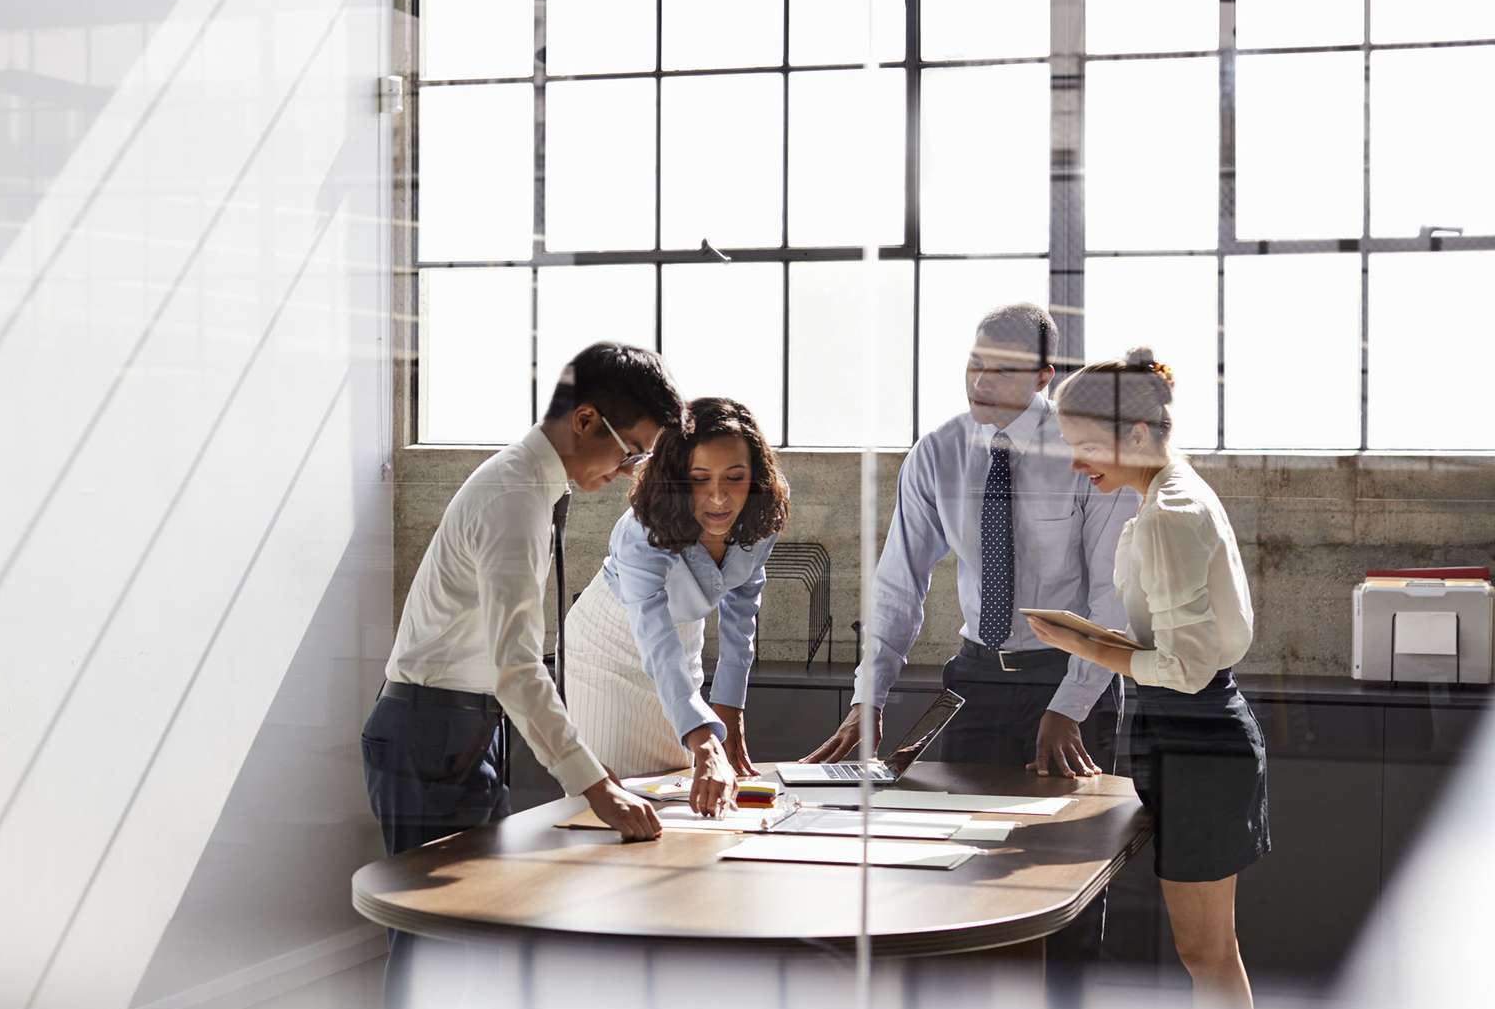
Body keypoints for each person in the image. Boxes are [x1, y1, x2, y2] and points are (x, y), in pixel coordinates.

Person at [362, 341, 685, 855]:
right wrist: (596, 788)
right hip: (432, 729)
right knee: (436, 925)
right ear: (583, 419)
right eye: (631, 451)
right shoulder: (514, 499)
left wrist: (588, 771)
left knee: (476, 919)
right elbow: (516, 665)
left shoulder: (530, 488)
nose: (630, 472)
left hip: (460, 724)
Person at [1027, 349, 1269, 1009]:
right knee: (1211, 951)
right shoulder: (1167, 494)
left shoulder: (1169, 511)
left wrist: (1085, 644)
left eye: (1084, 446)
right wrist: (1095, 638)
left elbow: (1186, 667)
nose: (1077, 464)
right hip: (1187, 734)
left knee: (1207, 951)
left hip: (1199, 735)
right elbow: (1178, 644)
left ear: (1135, 433)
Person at [806, 303, 1137, 777]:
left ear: (1044, 376)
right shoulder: (937, 453)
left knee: (1063, 841)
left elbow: (1113, 595)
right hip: (976, 679)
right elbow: (899, 584)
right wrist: (869, 698)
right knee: (961, 828)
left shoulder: (1086, 453)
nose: (981, 382)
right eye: (975, 364)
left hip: (1069, 673)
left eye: (1002, 370)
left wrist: (1071, 705)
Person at [563, 397, 790, 814]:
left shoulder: (762, 512)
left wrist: (728, 709)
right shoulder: (641, 530)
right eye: (700, 479)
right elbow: (653, 636)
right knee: (617, 805)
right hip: (609, 648)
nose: (719, 498)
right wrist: (703, 737)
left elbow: (742, 604)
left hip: (682, 640)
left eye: (734, 478)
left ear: (755, 476)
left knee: (680, 799)